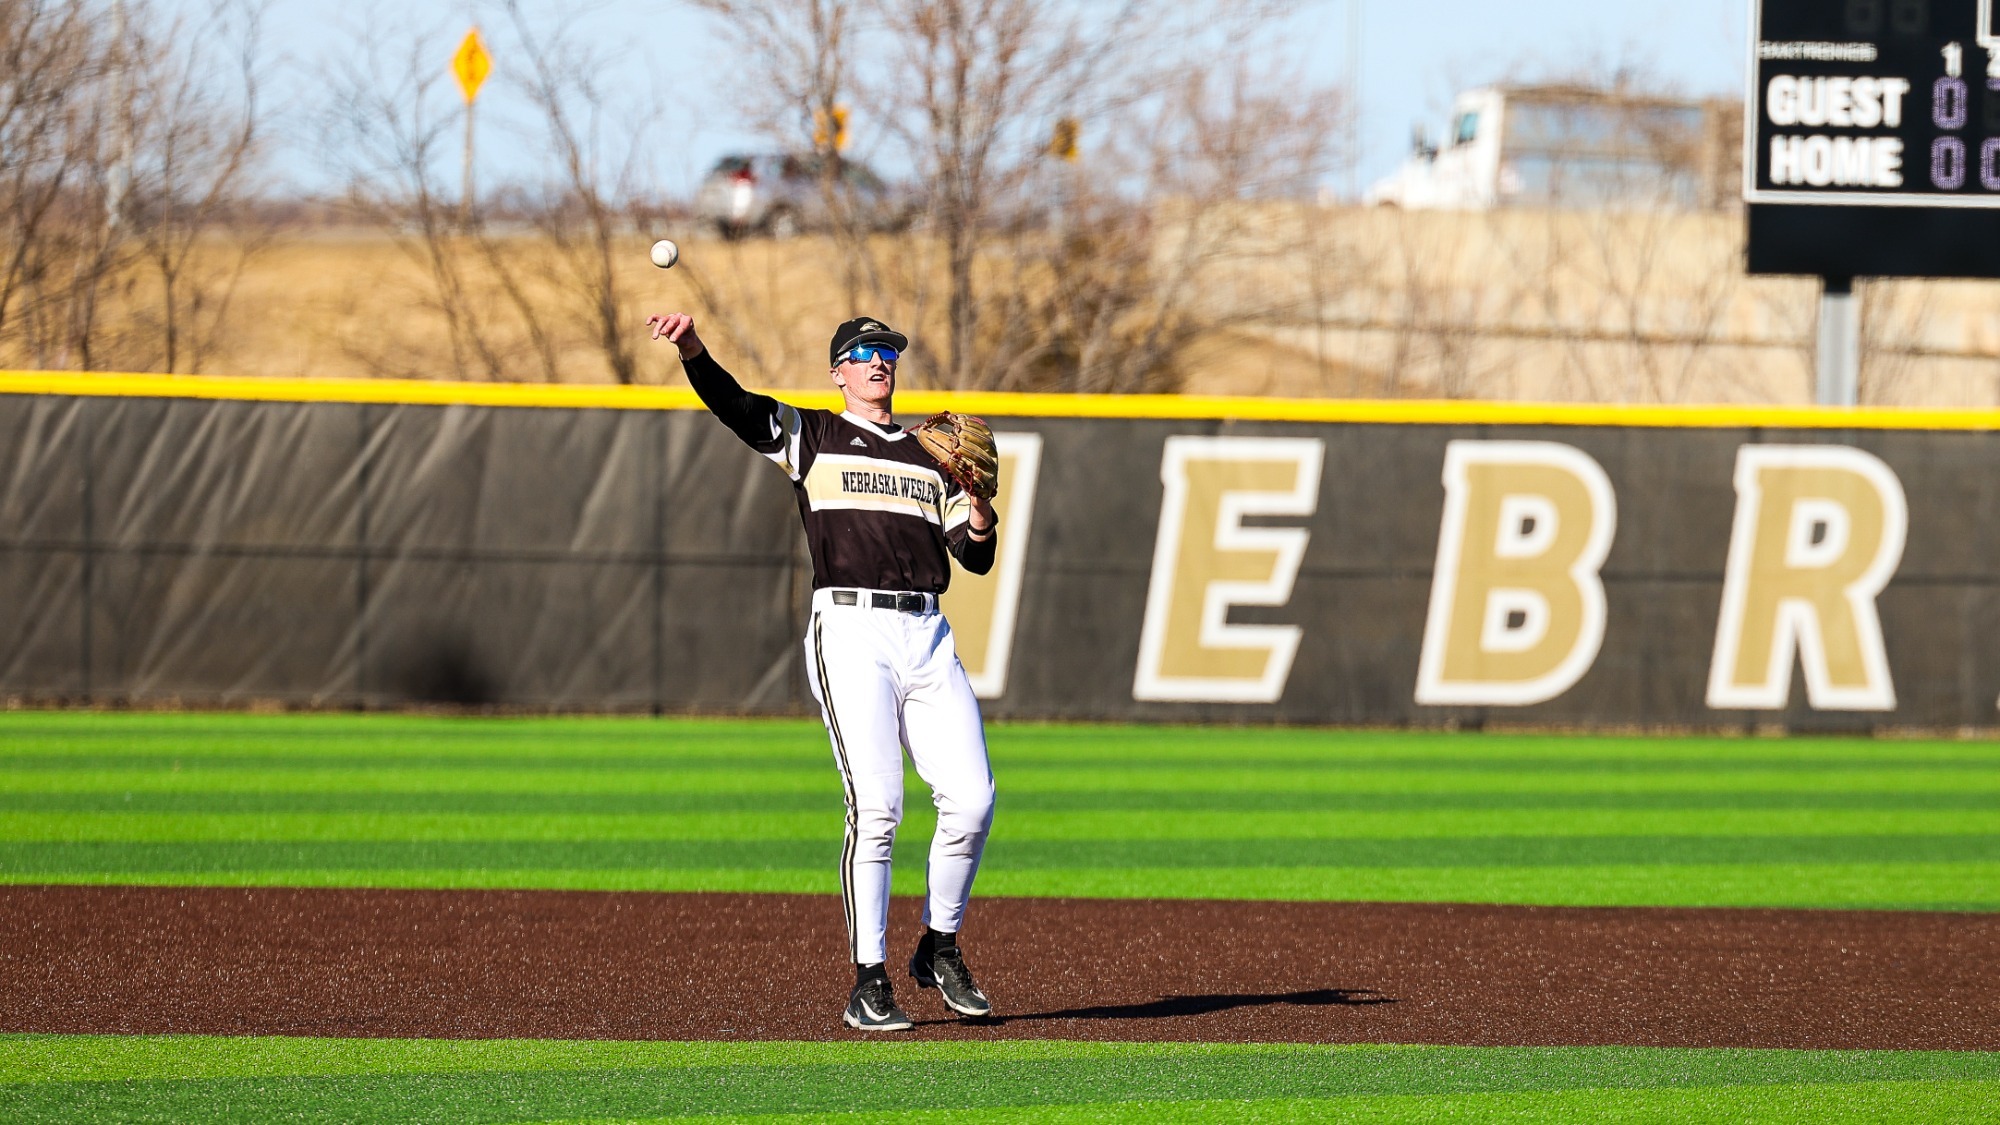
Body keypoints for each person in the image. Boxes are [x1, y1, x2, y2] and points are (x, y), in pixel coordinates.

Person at [647, 311, 999, 1032]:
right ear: (838, 370)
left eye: (888, 352)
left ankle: (939, 943)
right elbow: (739, 408)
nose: (879, 362)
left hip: (926, 629)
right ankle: (868, 980)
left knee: (972, 798)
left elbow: (974, 555)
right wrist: (692, 350)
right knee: (878, 810)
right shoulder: (815, 434)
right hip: (850, 628)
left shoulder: (933, 452)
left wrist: (984, 508)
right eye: (864, 353)